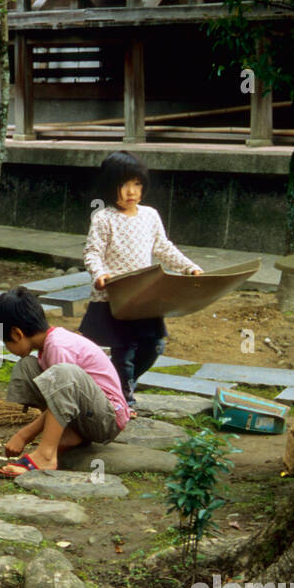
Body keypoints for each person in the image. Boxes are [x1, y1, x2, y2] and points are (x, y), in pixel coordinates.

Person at [79, 151, 203, 412]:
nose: (130, 192)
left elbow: (164, 248)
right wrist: (99, 273)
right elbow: (92, 252)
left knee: (154, 345)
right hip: (116, 297)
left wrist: (189, 267)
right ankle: (125, 403)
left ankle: (114, 385)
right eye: (123, 185)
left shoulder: (150, 215)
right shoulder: (103, 218)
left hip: (144, 297)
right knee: (123, 351)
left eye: (136, 184)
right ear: (110, 186)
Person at [0, 287, 130, 479]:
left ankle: (46, 454)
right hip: (85, 412)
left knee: (62, 374)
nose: (7, 347)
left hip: (107, 419)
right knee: (26, 367)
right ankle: (68, 435)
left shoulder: (58, 346)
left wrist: (25, 434)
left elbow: (64, 389)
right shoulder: (45, 347)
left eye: (6, 341)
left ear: (16, 334)